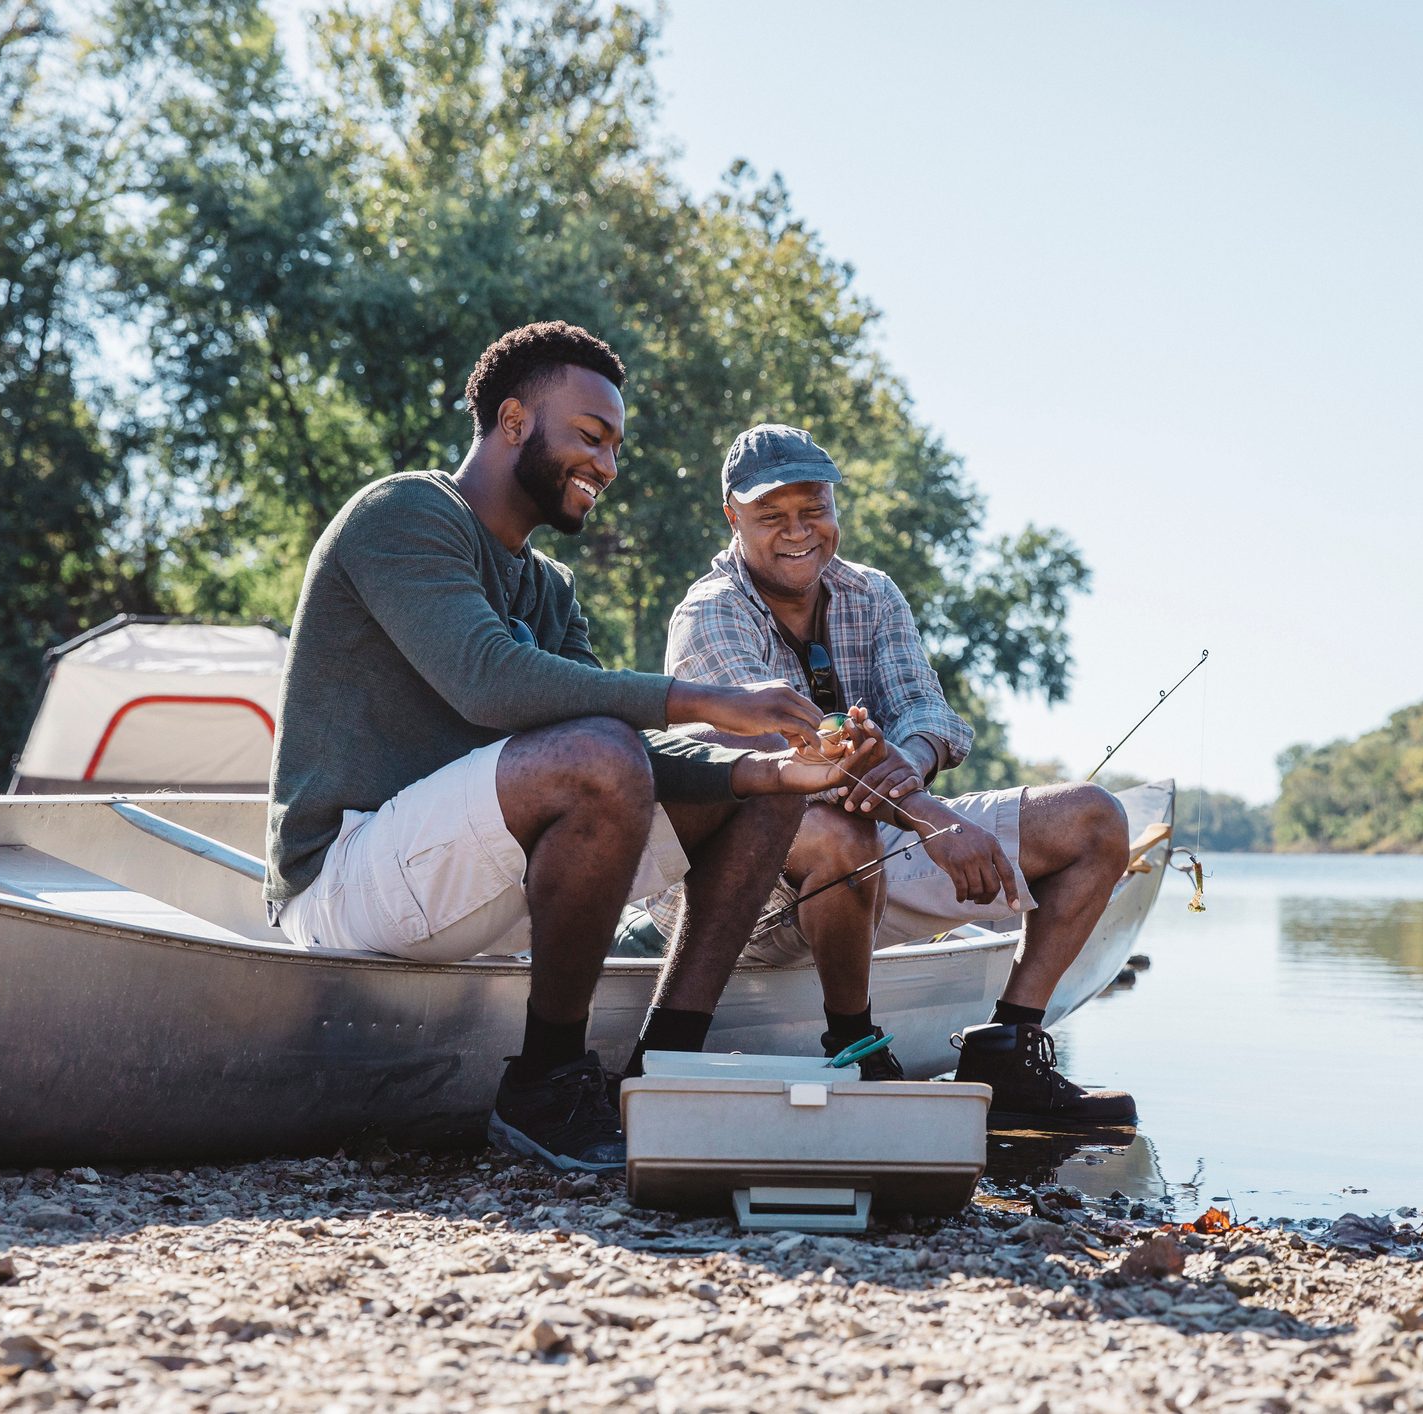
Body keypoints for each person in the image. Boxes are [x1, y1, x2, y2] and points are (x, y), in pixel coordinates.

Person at [265, 328, 883, 1173]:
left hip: (477, 880)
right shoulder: (405, 514)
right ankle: (547, 1078)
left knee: (756, 790)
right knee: (598, 751)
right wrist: (712, 700)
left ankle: (667, 1069)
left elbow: (635, 749)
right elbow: (486, 680)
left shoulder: (548, 587)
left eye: (617, 445)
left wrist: (772, 769)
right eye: (590, 436)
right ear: (513, 420)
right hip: (347, 881)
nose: (609, 464)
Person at [661, 423, 1136, 1126]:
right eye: (771, 516)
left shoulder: (871, 594)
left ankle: (1007, 1051)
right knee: (831, 832)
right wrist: (932, 818)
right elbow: (798, 763)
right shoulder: (710, 612)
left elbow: (929, 714)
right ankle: (854, 1043)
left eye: (813, 509)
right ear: (732, 517)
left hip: (876, 837)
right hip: (742, 889)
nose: (798, 532)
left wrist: (904, 762)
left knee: (1094, 819)